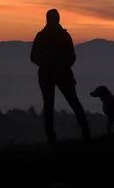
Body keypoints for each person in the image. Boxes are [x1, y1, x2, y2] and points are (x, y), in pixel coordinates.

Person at [30, 8, 91, 144]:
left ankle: (53, 138)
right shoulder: (62, 36)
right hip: (59, 74)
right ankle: (85, 133)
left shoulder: (43, 36)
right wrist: (59, 65)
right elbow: (72, 56)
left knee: (53, 105)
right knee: (70, 103)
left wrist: (48, 64)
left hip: (52, 75)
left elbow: (34, 57)